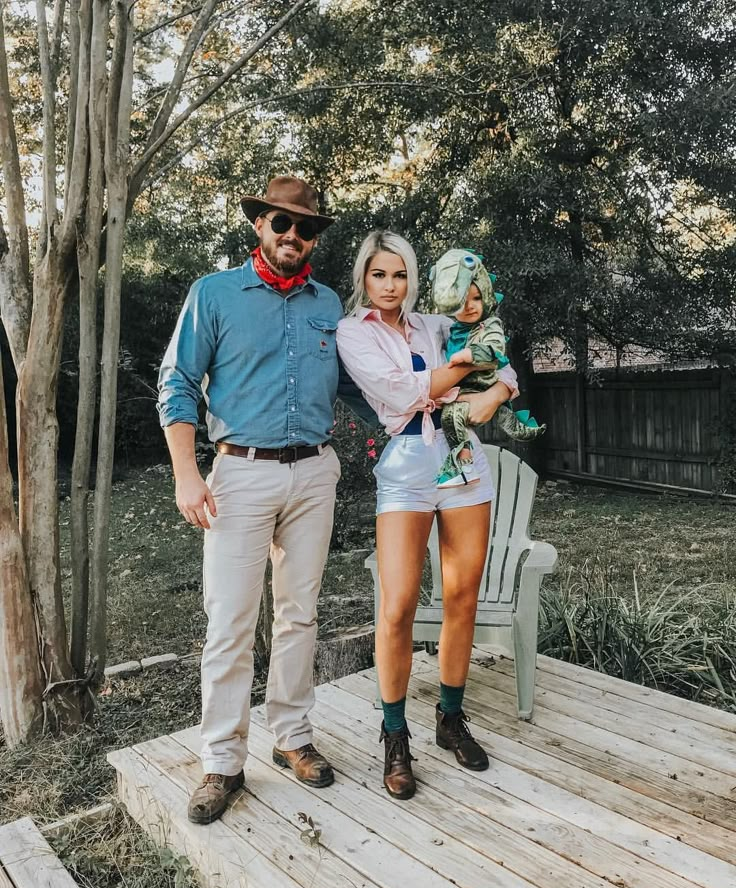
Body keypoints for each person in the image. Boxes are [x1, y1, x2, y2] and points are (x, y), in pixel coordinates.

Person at [157, 176, 346, 825]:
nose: (293, 236)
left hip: (314, 474)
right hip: (239, 474)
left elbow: (363, 379)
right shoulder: (214, 295)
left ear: (315, 236)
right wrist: (188, 474)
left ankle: (292, 736)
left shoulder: (330, 304)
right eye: (281, 223)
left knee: (299, 614)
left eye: (306, 227)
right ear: (259, 225)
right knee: (232, 621)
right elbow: (177, 383)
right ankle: (222, 761)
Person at [336, 231, 520, 800]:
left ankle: (450, 717)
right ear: (363, 279)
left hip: (465, 462)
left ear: (413, 278)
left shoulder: (434, 324)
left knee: (462, 595)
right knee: (396, 608)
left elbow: (502, 361)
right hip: (408, 465)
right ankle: (395, 736)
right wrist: (469, 370)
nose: (390, 287)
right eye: (378, 275)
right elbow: (404, 394)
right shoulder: (352, 333)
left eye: (399, 275)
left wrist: (496, 393)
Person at [431, 248, 545, 488]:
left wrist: (469, 355)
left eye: (476, 298)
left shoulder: (488, 324)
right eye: (462, 301)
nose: (470, 306)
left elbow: (495, 350)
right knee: (452, 415)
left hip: (483, 381)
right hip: (467, 390)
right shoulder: (451, 328)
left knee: (450, 417)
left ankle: (463, 465)